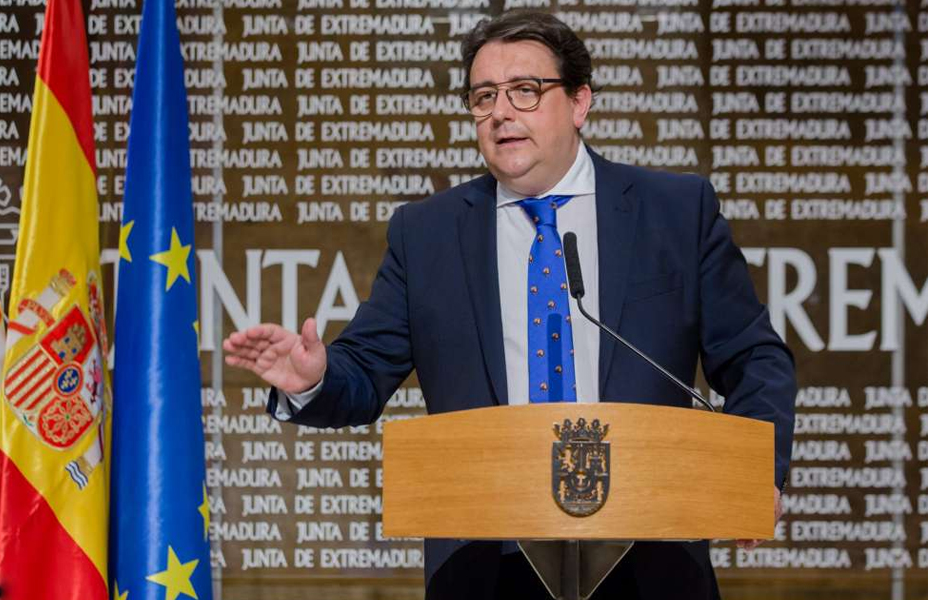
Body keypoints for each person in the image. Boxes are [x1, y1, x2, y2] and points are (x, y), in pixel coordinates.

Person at [223, 10, 795, 600]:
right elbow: (364, 372)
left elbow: (754, 358)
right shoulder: (428, 233)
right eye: (484, 96)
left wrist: (755, 474)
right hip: (487, 565)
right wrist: (313, 379)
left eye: (525, 90)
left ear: (579, 102)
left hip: (650, 555)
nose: (500, 112)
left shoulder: (675, 211)